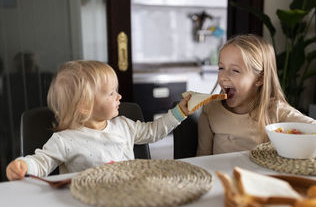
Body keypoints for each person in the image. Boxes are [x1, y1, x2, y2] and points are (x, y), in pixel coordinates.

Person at [6, 60, 193, 180]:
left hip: (131, 198)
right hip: (88, 205)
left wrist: (179, 113)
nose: (119, 96)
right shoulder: (65, 140)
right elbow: (42, 162)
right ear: (85, 106)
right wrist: (24, 165)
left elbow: (154, 131)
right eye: (111, 93)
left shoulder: (124, 126)